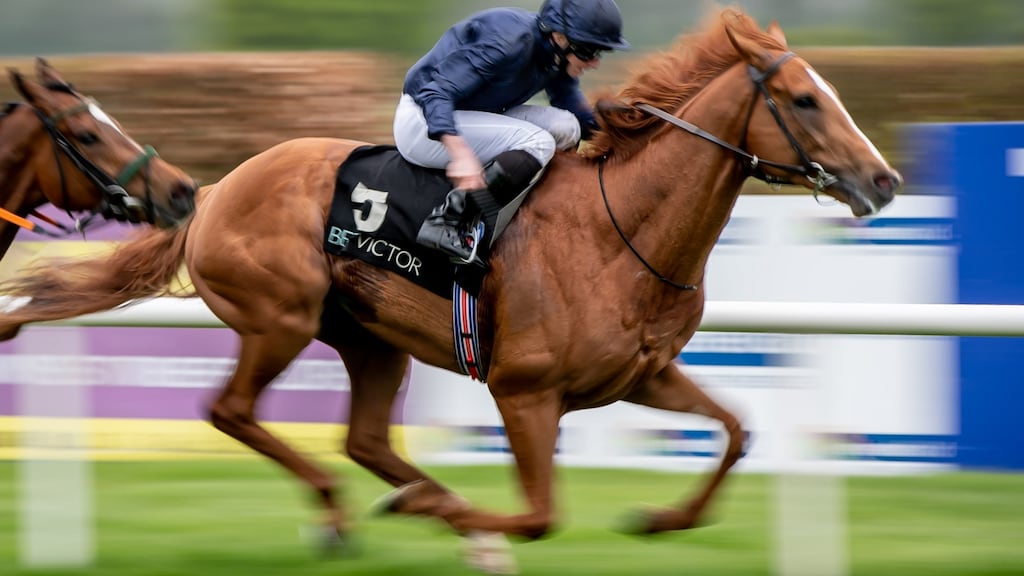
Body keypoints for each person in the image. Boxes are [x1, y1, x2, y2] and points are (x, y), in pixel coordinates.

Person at [394, 0, 630, 267]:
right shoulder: (508, 41)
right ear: (560, 37)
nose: (595, 63)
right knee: (538, 142)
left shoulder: (554, 55)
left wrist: (629, 126)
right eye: (589, 51)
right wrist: (460, 154)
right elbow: (435, 93)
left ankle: (532, 205)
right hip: (421, 122)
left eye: (601, 52)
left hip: (471, 116)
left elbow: (579, 117)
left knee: (567, 127)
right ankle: (448, 220)